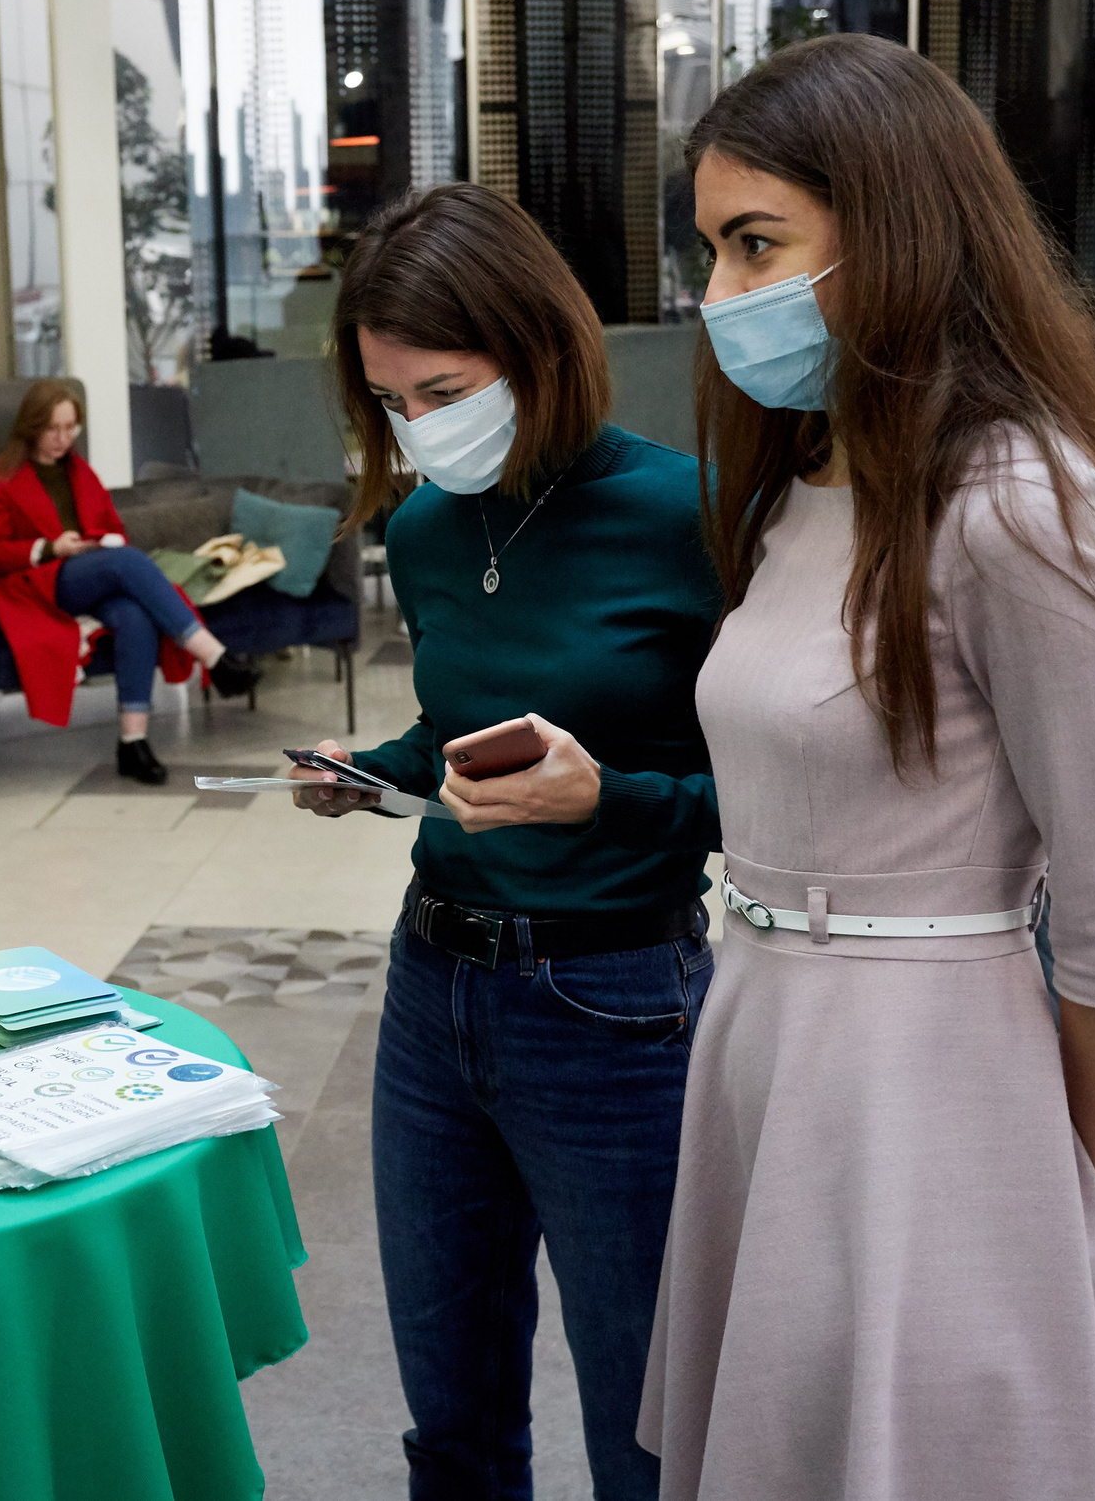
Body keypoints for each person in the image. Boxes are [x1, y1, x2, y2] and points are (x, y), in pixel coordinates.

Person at [636, 34, 1095, 1501]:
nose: (721, 293)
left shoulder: (1015, 499)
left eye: (758, 244)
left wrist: (1079, 1175)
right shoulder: (809, 478)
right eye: (713, 249)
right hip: (762, 1036)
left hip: (927, 1084)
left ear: (892, 229)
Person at [283, 183, 722, 1500]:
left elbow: (791, 794)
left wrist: (611, 801)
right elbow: (459, 728)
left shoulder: (690, 514)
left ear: (539, 346)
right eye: (391, 401)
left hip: (615, 1003)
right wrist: (373, 774)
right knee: (453, 1413)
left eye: (444, 390)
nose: (420, 428)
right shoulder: (426, 526)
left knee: (646, 1422)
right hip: (434, 993)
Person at [0, 378, 256, 783]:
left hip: (89, 572)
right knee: (128, 562)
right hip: (40, 582)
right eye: (53, 429)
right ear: (32, 427)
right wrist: (50, 547)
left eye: (70, 428)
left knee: (134, 615)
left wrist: (100, 542)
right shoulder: (0, 477)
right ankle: (214, 657)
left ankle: (132, 742)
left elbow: (112, 528)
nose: (63, 439)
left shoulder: (80, 472)